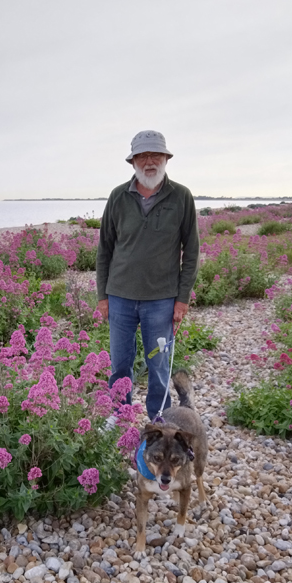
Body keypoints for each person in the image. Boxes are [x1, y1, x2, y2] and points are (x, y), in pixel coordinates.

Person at [96, 130, 199, 421]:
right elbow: (104, 249)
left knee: (159, 365)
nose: (150, 161)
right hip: (119, 298)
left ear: (166, 159)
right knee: (120, 364)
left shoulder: (181, 196)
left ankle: (160, 418)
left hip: (162, 300)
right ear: (133, 162)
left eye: (156, 155)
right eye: (143, 156)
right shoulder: (118, 196)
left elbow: (191, 252)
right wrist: (102, 296)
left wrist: (182, 300)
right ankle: (119, 415)